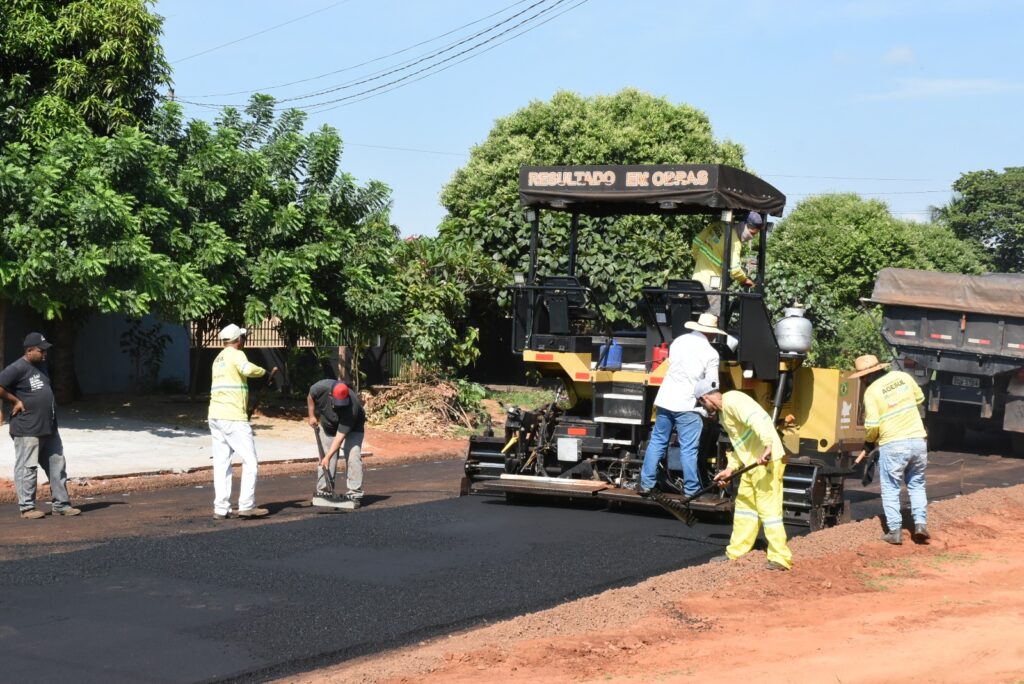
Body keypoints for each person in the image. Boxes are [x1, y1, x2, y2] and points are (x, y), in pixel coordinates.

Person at [698, 381, 792, 571]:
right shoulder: (724, 414)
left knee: (769, 510)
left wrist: (768, 446)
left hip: (767, 461)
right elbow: (740, 444)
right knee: (745, 508)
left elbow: (758, 420)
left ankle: (780, 558)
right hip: (751, 464)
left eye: (701, 404)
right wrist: (730, 468)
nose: (704, 408)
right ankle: (737, 551)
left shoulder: (733, 400)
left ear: (704, 397)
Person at [637, 312, 724, 497]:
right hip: (688, 405)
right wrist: (712, 409)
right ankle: (691, 490)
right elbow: (711, 385)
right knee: (689, 449)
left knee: (657, 442)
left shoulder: (678, 341)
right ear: (711, 332)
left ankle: (645, 484)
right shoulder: (711, 353)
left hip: (666, 399)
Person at [850, 354, 929, 545]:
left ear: (866, 376)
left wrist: (869, 443)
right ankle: (920, 525)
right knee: (917, 484)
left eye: (861, 378)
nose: (861, 381)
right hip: (918, 440)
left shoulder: (871, 392)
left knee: (891, 487)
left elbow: (872, 425)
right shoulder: (903, 377)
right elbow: (920, 398)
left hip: (893, 444)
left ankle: (895, 531)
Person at [0, 333, 81, 519]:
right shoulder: (17, 368)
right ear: (29, 351)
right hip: (27, 428)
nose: (45, 353)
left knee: (57, 465)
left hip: (49, 427)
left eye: (45, 350)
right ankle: (27, 508)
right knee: (27, 468)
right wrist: (15, 401)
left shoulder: (42, 365)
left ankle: (61, 505)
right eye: (41, 350)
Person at [208, 324, 268, 520]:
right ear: (237, 339)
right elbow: (247, 369)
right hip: (233, 416)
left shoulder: (218, 359)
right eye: (242, 337)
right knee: (250, 461)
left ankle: (221, 508)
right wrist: (263, 372)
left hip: (215, 415)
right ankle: (246, 505)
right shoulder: (236, 354)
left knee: (222, 463)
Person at [307, 379, 366, 508]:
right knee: (326, 458)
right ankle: (324, 491)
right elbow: (310, 397)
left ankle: (354, 493)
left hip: (354, 426)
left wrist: (327, 457)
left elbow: (339, 438)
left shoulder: (352, 407)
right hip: (328, 424)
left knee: (353, 455)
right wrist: (311, 415)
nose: (339, 406)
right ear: (330, 395)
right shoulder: (320, 388)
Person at [691, 211, 762, 311]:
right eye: (751, 233)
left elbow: (696, 242)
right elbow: (735, 270)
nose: (751, 237)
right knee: (712, 317)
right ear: (744, 225)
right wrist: (745, 280)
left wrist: (700, 261)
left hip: (696, 281)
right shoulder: (735, 242)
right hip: (712, 286)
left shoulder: (718, 225)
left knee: (696, 314)